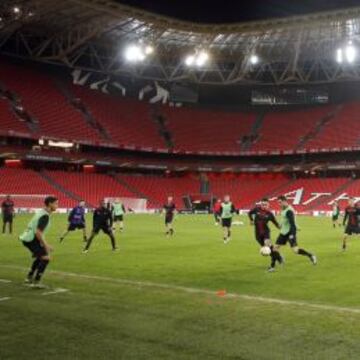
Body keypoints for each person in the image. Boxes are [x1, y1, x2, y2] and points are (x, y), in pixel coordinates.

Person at [19, 196, 58, 288]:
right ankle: (36, 282)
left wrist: (44, 245)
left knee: (41, 257)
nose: (57, 206)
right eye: (56, 203)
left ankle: (29, 277)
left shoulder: (41, 212)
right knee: (46, 258)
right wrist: (46, 246)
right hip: (32, 239)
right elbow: (38, 232)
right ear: (50, 204)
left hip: (28, 238)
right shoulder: (45, 216)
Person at [273, 195, 317, 267]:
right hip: (283, 232)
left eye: (280, 202)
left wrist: (292, 234)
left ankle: (311, 255)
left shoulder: (289, 211)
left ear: (284, 201)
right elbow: (285, 220)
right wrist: (281, 225)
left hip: (290, 232)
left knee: (295, 250)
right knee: (275, 248)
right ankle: (280, 259)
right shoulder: (284, 208)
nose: (279, 204)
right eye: (278, 202)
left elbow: (292, 224)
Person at [248, 198, 284, 271]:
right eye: (262, 204)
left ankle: (273, 265)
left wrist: (281, 228)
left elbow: (275, 223)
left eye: (265, 205)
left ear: (268, 205)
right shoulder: (256, 209)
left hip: (266, 233)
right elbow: (249, 213)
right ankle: (278, 257)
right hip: (257, 234)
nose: (264, 206)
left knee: (268, 248)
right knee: (269, 250)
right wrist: (251, 220)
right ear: (261, 204)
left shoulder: (270, 214)